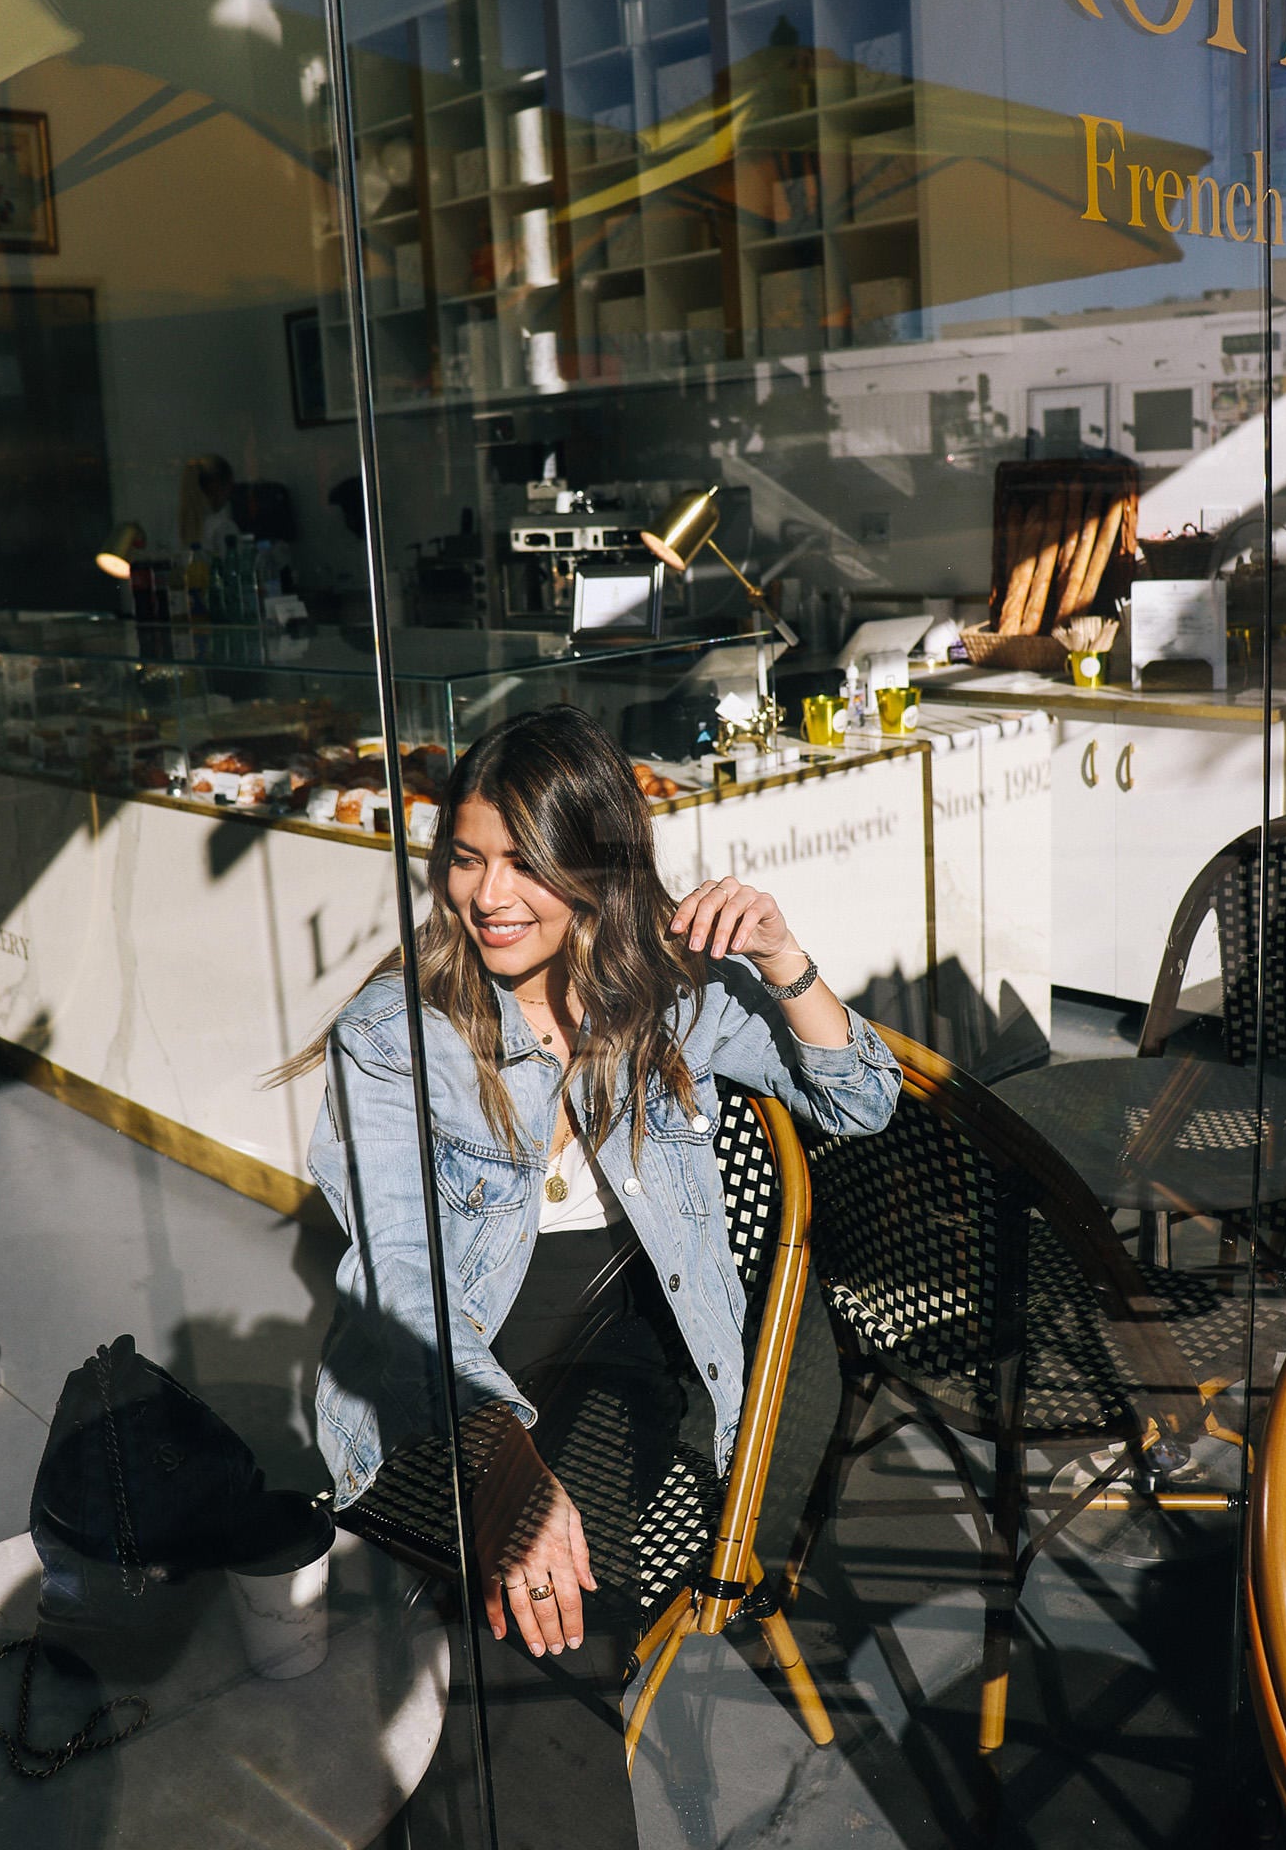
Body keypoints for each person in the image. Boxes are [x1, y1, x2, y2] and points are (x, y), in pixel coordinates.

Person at [296, 704, 901, 1847]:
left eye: (529, 861)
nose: (490, 895)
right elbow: (402, 1277)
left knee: (540, 1623)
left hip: (626, 1335)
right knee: (499, 1604)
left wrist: (783, 956)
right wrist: (501, 1445)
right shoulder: (394, 1032)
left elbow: (858, 1098)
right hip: (448, 1351)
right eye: (468, 858)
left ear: (597, 867)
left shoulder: (660, 993)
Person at [176, 452, 237, 554]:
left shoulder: (178, 525)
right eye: (230, 487)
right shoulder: (223, 528)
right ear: (217, 487)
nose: (229, 495)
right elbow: (235, 567)